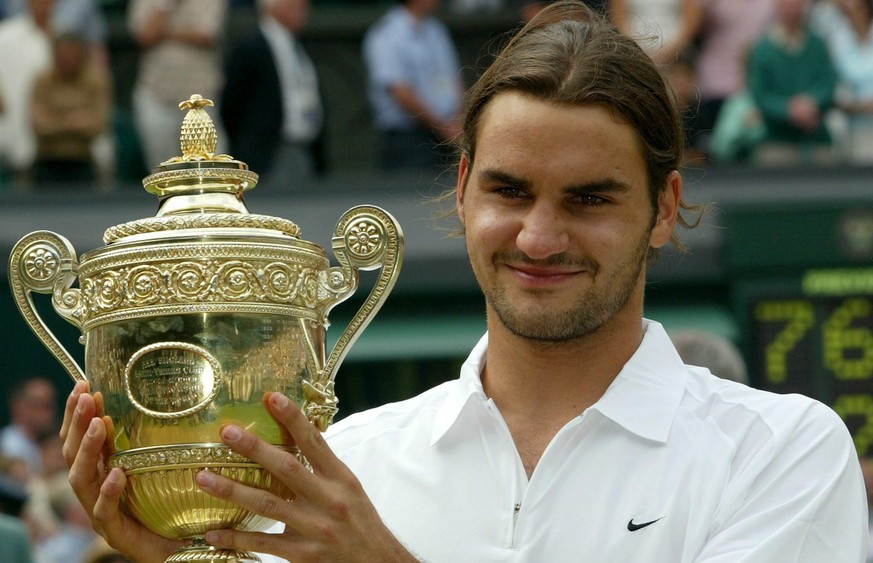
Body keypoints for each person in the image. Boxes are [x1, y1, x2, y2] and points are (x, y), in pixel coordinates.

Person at [62, 2, 867, 561]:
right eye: (509, 191)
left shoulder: (782, 451)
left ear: (664, 210)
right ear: (461, 192)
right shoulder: (341, 469)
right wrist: (186, 551)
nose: (539, 236)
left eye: (588, 199)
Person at [220, 0, 325, 188]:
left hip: (304, 150)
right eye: (293, 4)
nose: (302, 8)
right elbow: (230, 107)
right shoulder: (249, 49)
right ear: (270, 6)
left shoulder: (299, 47)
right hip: (267, 154)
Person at [363, 0, 465, 172]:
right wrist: (443, 127)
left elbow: (454, 78)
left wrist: (459, 121)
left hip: (447, 138)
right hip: (408, 142)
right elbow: (400, 92)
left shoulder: (436, 30)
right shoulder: (387, 33)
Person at [127, 0, 228, 168]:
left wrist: (164, 33)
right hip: (157, 93)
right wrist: (165, 5)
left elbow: (205, 35)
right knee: (163, 172)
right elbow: (145, 36)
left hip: (201, 96)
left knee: (211, 168)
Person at [746, 0, 838, 165]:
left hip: (816, 138)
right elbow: (760, 94)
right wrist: (789, 110)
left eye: (797, 4)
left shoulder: (818, 45)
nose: (792, 9)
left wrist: (812, 102)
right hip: (776, 140)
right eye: (787, 4)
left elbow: (828, 83)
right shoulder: (763, 50)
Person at [30, 31, 112, 187]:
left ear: (81, 55)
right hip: (46, 164)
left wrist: (54, 119)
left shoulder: (97, 81)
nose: (66, 60)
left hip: (83, 164)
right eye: (61, 56)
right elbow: (39, 126)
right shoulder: (42, 81)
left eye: (71, 55)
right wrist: (75, 121)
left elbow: (98, 125)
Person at [0, 0, 54, 182]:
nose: (44, 4)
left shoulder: (65, 36)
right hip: (10, 129)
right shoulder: (6, 35)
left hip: (52, 139)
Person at [1, 376, 57, 477]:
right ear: (20, 407)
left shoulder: (53, 441)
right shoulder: (8, 444)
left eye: (50, 405)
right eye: (40, 404)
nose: (47, 413)